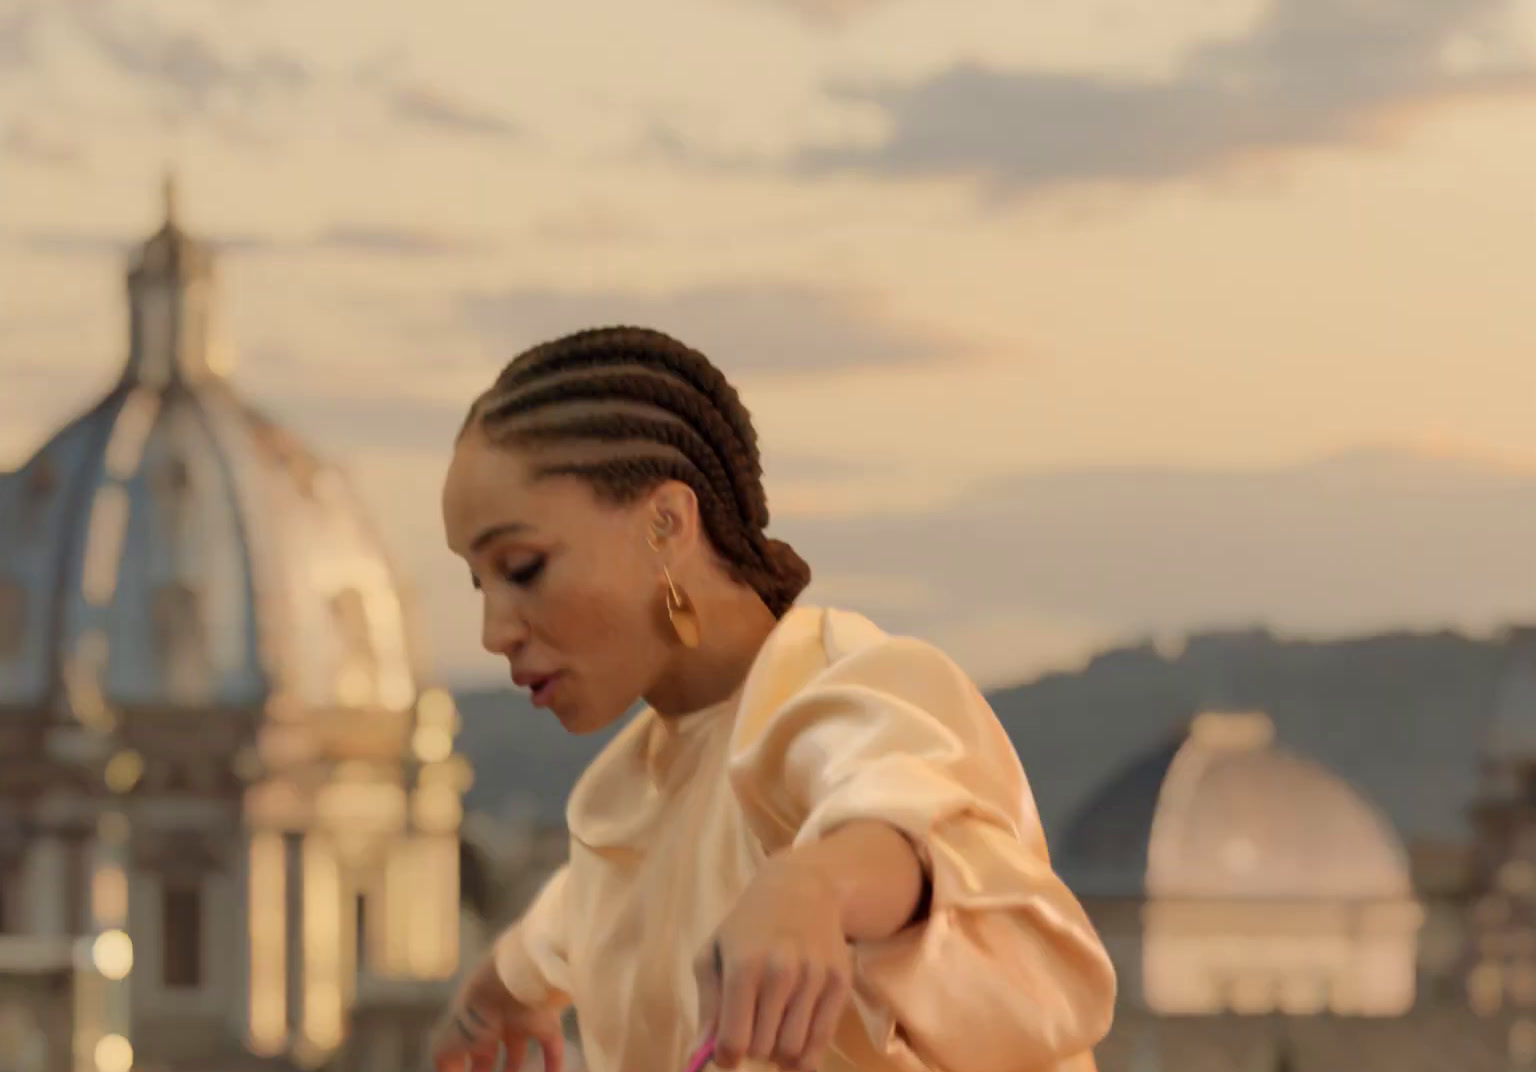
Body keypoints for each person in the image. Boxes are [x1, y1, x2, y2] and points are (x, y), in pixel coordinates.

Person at [429, 327, 1116, 1072]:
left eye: (522, 568)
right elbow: (577, 922)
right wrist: (497, 993)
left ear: (665, 525)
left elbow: (922, 833)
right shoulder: (632, 794)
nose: (494, 631)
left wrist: (813, 884)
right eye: (478, 582)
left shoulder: (847, 690)